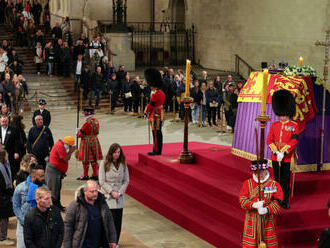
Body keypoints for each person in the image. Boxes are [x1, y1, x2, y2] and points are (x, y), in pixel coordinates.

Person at [239, 160, 283, 248]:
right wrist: (253, 205)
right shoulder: (247, 184)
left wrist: (267, 209)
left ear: (266, 170)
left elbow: (278, 201)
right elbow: (242, 200)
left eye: (262, 172)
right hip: (252, 222)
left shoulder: (274, 184)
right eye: (257, 172)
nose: (260, 175)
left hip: (268, 221)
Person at [266, 89, 298, 210]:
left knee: (285, 180)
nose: (282, 117)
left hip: (287, 158)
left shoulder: (294, 125)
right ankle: (276, 198)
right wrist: (276, 151)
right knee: (277, 179)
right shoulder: (274, 125)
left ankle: (285, 200)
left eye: (284, 114)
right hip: (275, 157)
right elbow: (269, 140)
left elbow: (294, 141)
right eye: (280, 114)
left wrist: (284, 152)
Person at [63, 180, 117, 248]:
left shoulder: (102, 203)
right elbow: (68, 226)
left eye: (96, 191)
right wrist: (67, 246)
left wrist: (113, 240)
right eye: (92, 191)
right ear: (84, 192)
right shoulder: (75, 205)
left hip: (99, 244)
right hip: (82, 245)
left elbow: (109, 221)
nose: (95, 194)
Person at [99, 143, 129, 246]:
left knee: (117, 222)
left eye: (119, 152)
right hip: (108, 196)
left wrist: (119, 192)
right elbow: (102, 181)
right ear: (111, 152)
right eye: (115, 152)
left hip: (119, 198)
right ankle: (106, 242)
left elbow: (126, 181)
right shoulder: (104, 163)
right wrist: (111, 191)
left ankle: (115, 242)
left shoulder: (123, 164)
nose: (117, 154)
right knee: (107, 222)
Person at [13, 163, 46, 248]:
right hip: (23, 226)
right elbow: (16, 205)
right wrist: (23, 220)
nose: (43, 178)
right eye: (41, 176)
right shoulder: (20, 188)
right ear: (33, 177)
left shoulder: (45, 189)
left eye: (43, 175)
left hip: (39, 226)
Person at [45, 136, 75, 211]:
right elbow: (66, 159)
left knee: (57, 189)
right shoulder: (60, 146)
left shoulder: (62, 146)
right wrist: (71, 151)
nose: (70, 147)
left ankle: (58, 205)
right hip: (53, 171)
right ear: (67, 144)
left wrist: (70, 151)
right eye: (70, 146)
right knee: (54, 190)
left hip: (57, 172)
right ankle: (56, 207)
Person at [76, 107, 103, 180]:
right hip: (94, 140)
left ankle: (85, 175)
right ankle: (95, 174)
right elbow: (97, 132)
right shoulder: (96, 121)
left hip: (86, 142)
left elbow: (79, 135)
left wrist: (77, 131)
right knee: (94, 159)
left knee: (85, 160)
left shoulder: (86, 123)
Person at [144, 68, 166, 156]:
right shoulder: (161, 93)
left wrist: (146, 112)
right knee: (158, 132)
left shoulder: (155, 94)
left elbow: (151, 105)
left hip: (155, 115)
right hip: (160, 113)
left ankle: (156, 150)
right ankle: (157, 149)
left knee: (156, 133)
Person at [0, 149, 15, 245]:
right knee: (4, 217)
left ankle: (3, 236)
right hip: (3, 197)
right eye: (6, 155)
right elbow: (3, 185)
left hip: (4, 195)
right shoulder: (1, 168)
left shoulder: (5, 166)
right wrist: (11, 191)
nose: (8, 157)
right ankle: (2, 238)